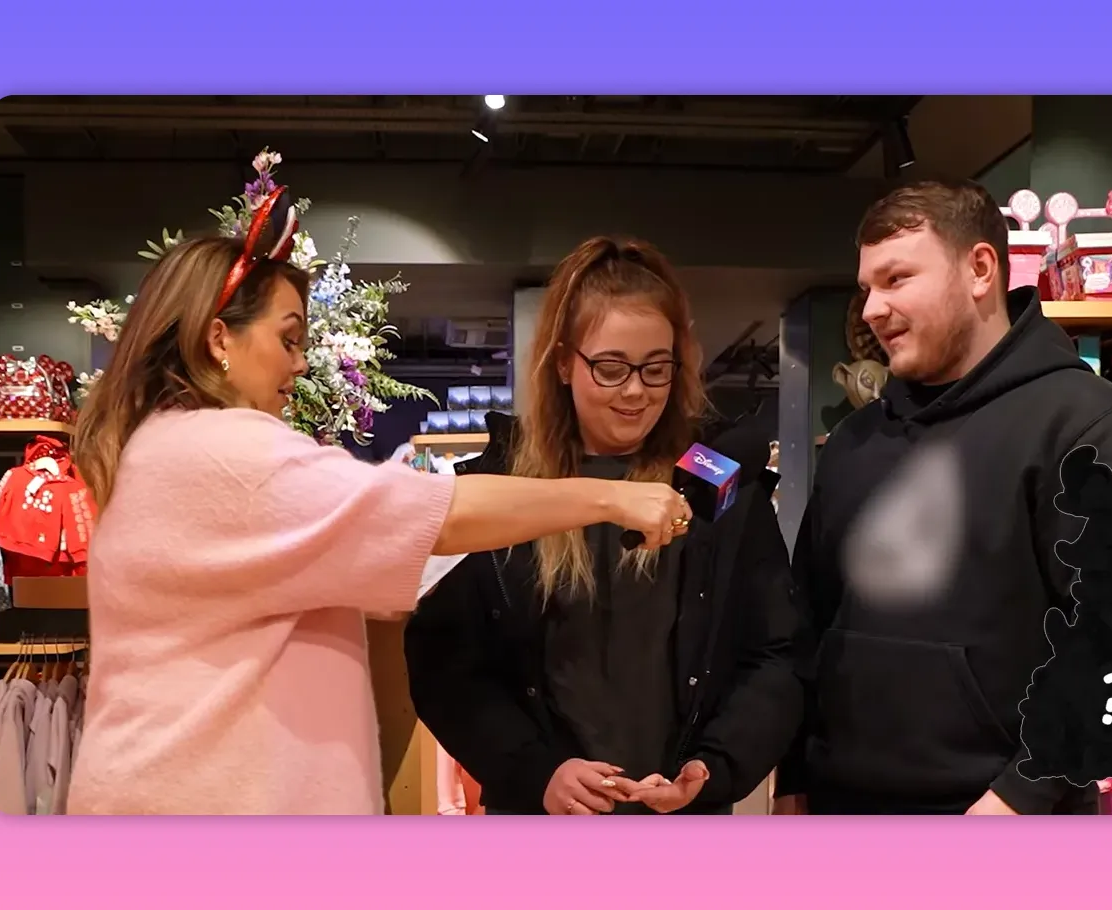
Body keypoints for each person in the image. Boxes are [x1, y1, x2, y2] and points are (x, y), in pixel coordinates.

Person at [64, 196, 691, 816]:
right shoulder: (221, 451)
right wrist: (610, 497)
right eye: (286, 339)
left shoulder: (169, 448)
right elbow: (435, 518)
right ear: (219, 338)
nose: (299, 362)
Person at [774, 179, 1112, 815]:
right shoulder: (855, 443)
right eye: (867, 289)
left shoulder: (1089, 428)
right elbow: (809, 628)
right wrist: (797, 781)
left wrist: (1017, 799)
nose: (871, 311)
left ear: (980, 269)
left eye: (897, 279)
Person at [405, 237, 802, 816]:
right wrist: (537, 772)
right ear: (564, 361)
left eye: (656, 368)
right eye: (611, 368)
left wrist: (714, 766)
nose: (637, 391)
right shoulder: (499, 488)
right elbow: (447, 668)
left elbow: (776, 653)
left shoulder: (717, 483)